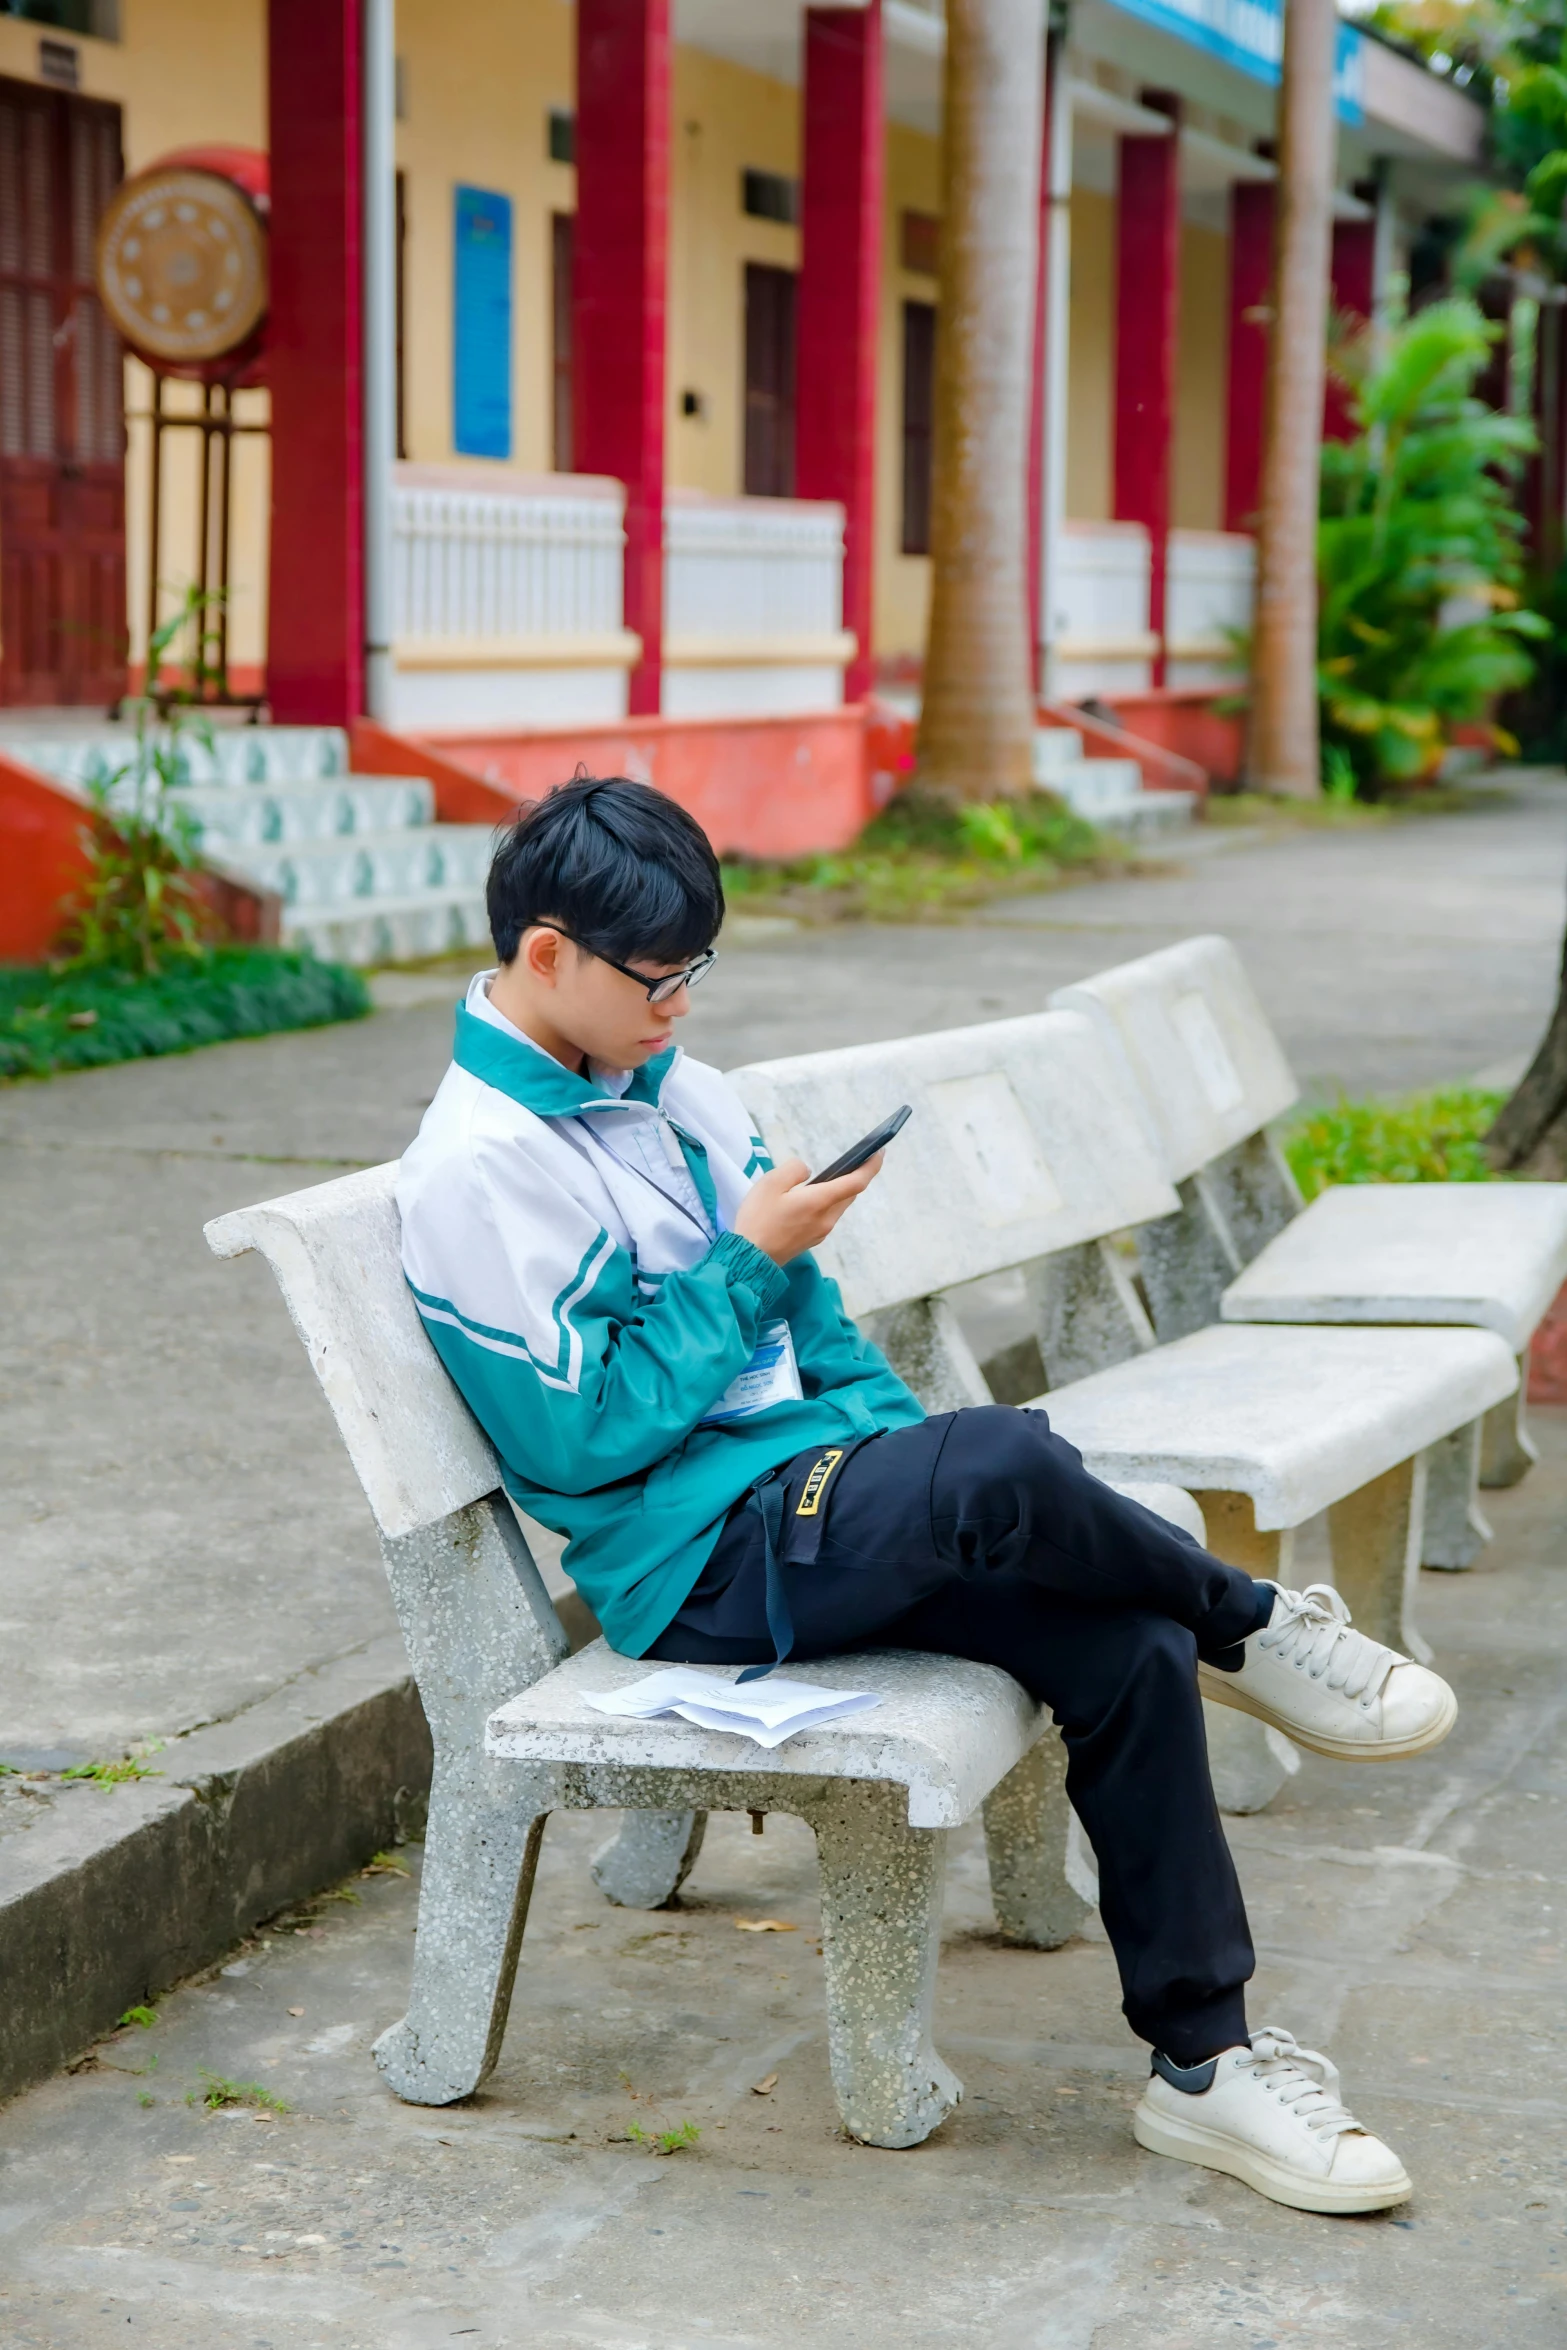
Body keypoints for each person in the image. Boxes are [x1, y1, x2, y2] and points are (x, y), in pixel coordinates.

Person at [398, 774, 1457, 2217]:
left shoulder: (677, 1093)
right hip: (699, 1560)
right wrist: (747, 1261)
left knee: (1120, 1637)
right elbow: (580, 1443)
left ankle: (1204, 2067)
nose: (681, 1005)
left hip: (816, 1504)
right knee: (1015, 1461)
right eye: (657, 978)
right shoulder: (476, 1171)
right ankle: (1251, 1622)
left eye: (696, 971)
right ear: (543, 955)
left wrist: (907, 1472)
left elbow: (814, 1329)